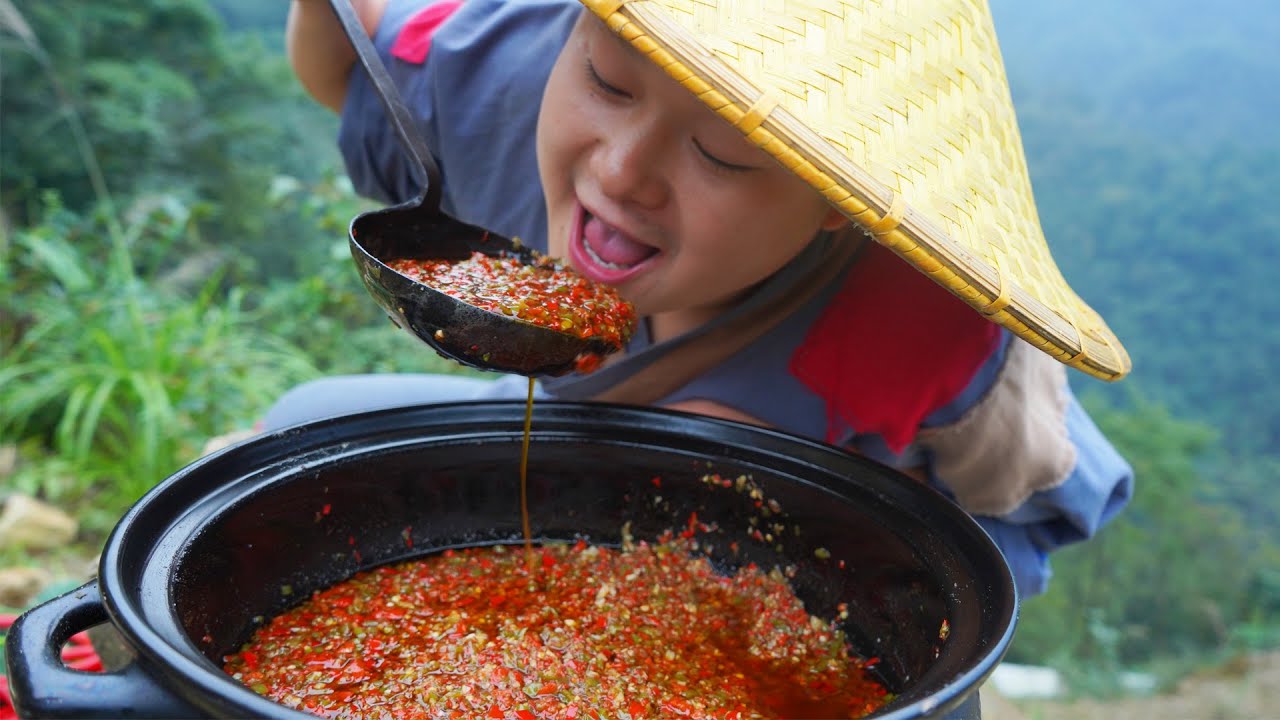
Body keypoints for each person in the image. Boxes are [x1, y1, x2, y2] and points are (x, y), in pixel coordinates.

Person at [273, 0, 1134, 600]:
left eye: (721, 153)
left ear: (842, 201)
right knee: (291, 434)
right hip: (577, 448)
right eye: (609, 83)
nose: (619, 171)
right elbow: (348, 58)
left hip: (811, 548)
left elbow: (1010, 521)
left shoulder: (927, 328)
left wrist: (826, 522)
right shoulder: (505, 81)